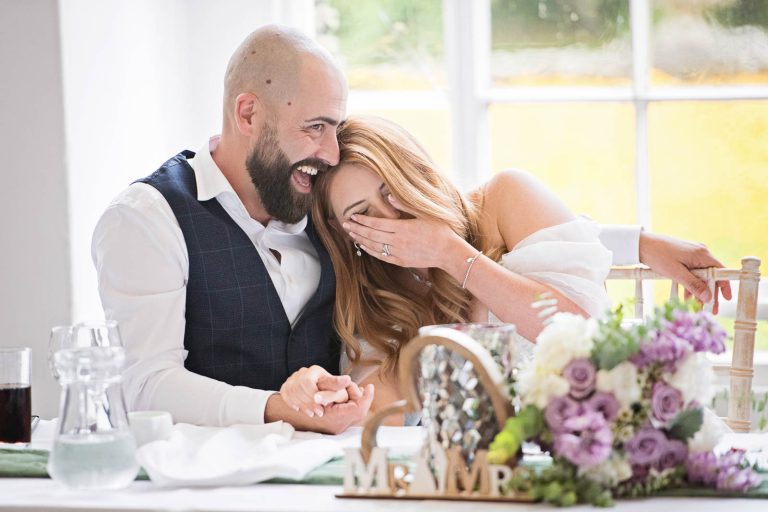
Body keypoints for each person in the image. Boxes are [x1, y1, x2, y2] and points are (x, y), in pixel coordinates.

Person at [92, 24, 731, 433]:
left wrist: (637, 242)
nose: (329, 152)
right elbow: (145, 385)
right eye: (315, 128)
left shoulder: (306, 188)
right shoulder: (157, 219)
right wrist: (291, 405)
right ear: (247, 113)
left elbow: (484, 216)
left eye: (334, 128)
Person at [281, 115, 734, 425]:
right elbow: (379, 416)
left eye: (391, 190)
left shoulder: (506, 198)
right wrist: (321, 395)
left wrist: (451, 255)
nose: (392, 217)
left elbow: (582, 334)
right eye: (363, 213)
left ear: (415, 173)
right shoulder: (374, 297)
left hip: (608, 436)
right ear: (345, 233)